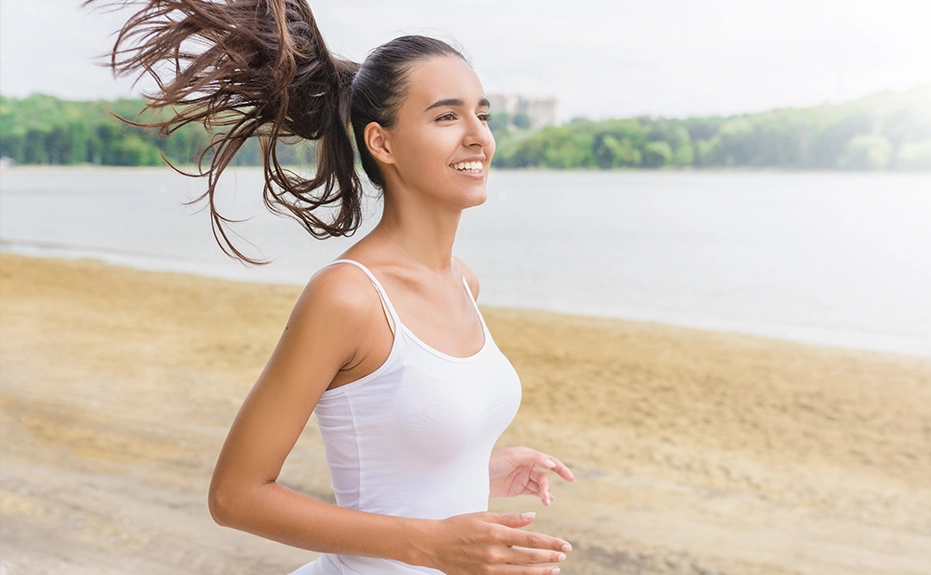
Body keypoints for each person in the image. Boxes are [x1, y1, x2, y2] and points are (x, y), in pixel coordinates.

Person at [89, 1, 575, 573]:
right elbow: (235, 496)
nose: (477, 136)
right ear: (382, 143)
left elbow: (395, 444)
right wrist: (430, 545)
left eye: (483, 114)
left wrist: (468, 468)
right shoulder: (347, 297)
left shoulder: (463, 281)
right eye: (447, 117)